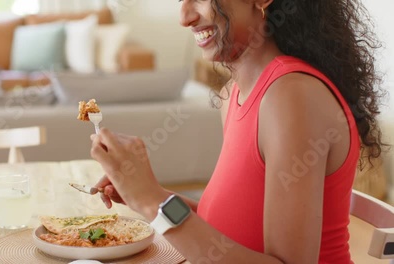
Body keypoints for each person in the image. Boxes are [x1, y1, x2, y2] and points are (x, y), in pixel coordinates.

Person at [89, 0, 386, 263]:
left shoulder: (291, 96)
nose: (184, 16)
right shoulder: (234, 94)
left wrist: (152, 201)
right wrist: (143, 191)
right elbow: (227, 225)